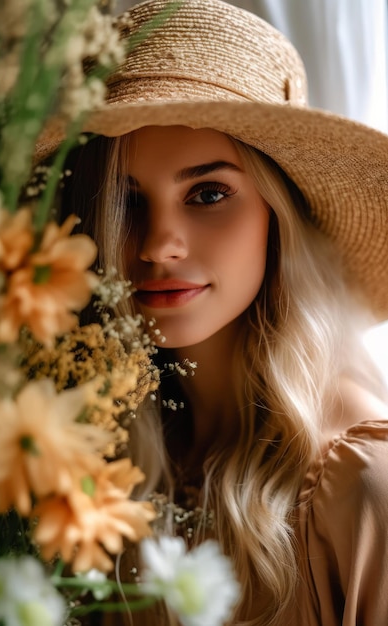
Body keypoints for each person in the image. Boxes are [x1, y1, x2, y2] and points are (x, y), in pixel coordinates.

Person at [37, 0, 388, 624]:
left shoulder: (363, 484)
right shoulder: (81, 459)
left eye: (207, 193)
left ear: (276, 217)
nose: (156, 244)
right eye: (124, 200)